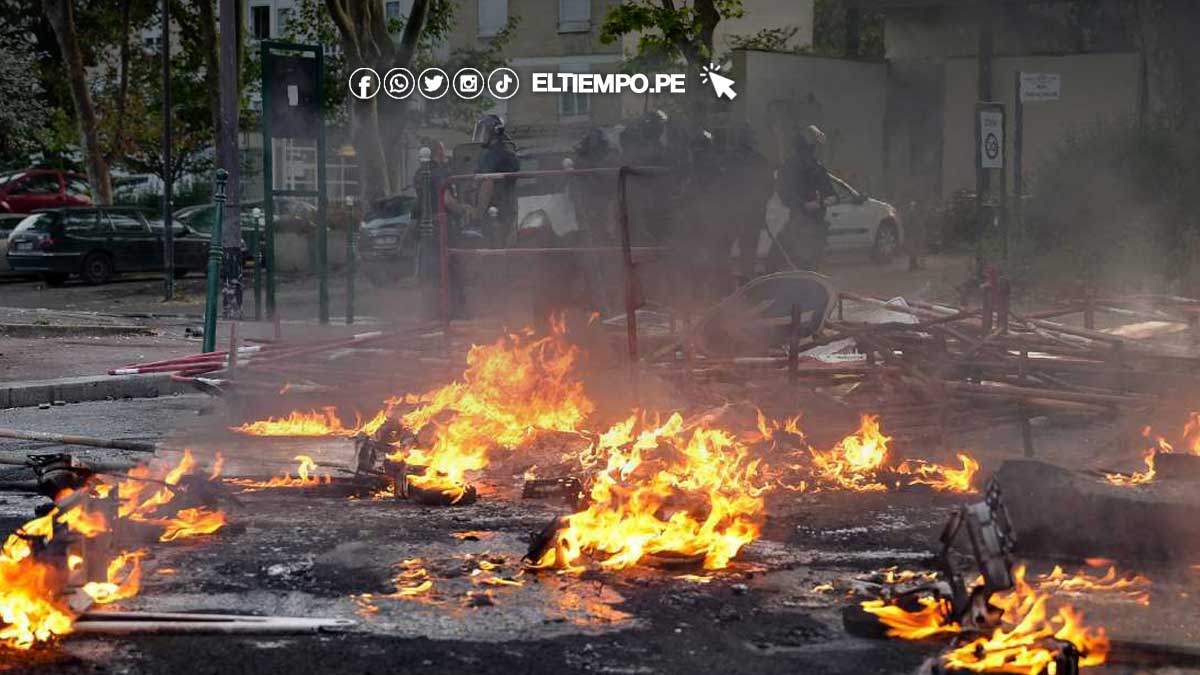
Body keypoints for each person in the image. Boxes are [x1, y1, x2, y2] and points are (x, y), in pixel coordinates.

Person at [773, 124, 837, 271]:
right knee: (792, 260)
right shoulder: (790, 167)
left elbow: (831, 194)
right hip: (798, 223)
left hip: (816, 224)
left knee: (812, 263)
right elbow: (784, 192)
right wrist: (803, 205)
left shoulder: (817, 167)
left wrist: (824, 202)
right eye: (815, 147)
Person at [467, 113, 520, 248]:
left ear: (493, 133)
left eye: (484, 131)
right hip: (505, 211)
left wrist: (476, 215)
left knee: (490, 249)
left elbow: (487, 183)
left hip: (494, 214)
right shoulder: (507, 155)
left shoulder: (493, 156)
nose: (482, 136)